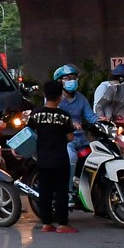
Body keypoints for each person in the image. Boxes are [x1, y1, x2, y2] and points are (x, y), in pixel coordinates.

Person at [25, 83, 79, 233]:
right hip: (60, 158)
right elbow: (69, 138)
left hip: (42, 158)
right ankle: (62, 224)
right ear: (60, 97)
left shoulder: (35, 114)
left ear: (44, 95)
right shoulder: (64, 116)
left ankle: (46, 223)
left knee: (45, 191)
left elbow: (28, 133)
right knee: (61, 191)